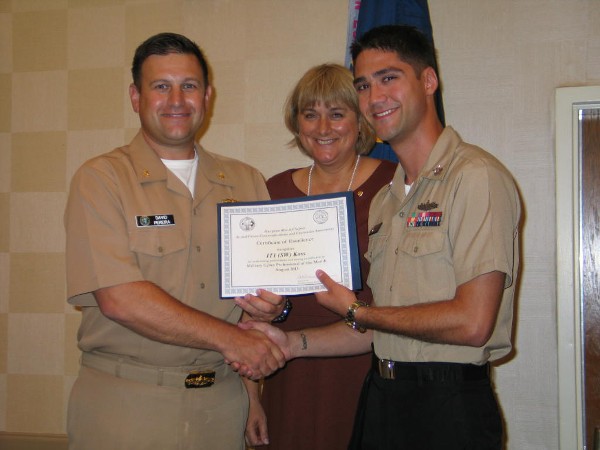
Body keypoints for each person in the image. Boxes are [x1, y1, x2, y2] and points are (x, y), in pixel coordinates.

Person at [238, 25, 521, 450]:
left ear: (428, 81)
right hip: (383, 394)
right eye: (364, 85)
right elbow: (384, 327)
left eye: (389, 78)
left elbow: (473, 322)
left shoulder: (475, 176)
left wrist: (358, 310)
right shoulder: (393, 196)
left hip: (447, 401)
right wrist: (290, 342)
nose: (375, 97)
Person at [64, 32, 286, 450]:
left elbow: (257, 310)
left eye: (189, 85)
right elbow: (119, 298)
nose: (177, 99)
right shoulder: (101, 180)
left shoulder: (247, 181)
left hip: (222, 404)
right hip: (126, 405)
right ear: (136, 96)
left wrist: (252, 394)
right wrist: (231, 339)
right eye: (160, 86)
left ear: (208, 94)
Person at [240, 64, 396, 449]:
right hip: (286, 375)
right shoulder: (272, 189)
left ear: (360, 122)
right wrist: (250, 399)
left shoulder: (396, 185)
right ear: (297, 124)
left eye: (337, 113)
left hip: (369, 371)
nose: (323, 127)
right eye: (310, 114)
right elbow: (249, 309)